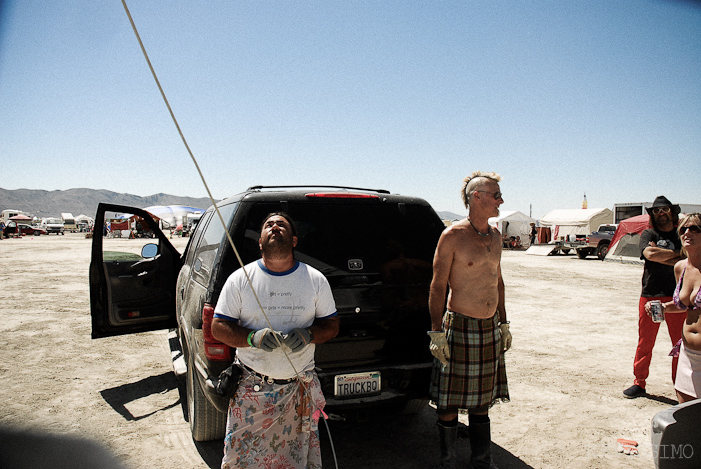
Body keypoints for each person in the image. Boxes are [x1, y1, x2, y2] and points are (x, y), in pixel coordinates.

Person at [211, 213, 340, 469]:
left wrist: (309, 334)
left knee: (293, 462)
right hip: (251, 390)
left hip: (298, 391)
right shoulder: (239, 280)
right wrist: (251, 337)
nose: (275, 227)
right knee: (240, 462)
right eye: (269, 225)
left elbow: (332, 326)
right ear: (259, 242)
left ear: (293, 240)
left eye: (281, 224)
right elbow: (218, 327)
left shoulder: (315, 280)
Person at [428, 171, 511, 469]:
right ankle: (447, 462)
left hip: (488, 327)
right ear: (478, 197)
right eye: (496, 194)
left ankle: (481, 461)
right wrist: (436, 333)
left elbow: (498, 281)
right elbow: (438, 286)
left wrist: (504, 323)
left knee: (482, 402)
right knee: (448, 403)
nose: (501, 200)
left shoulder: (497, 235)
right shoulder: (452, 236)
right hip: (459, 327)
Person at [623, 196, 685, 398]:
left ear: (672, 212)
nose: (661, 213)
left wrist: (661, 253)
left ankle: (681, 388)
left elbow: (689, 256)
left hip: (677, 298)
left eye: (665, 209)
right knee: (645, 342)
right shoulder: (648, 233)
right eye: (657, 211)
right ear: (652, 215)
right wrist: (677, 256)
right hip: (651, 296)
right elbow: (649, 254)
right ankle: (639, 383)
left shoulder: (681, 233)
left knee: (679, 345)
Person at [646, 213, 701, 403]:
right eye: (683, 229)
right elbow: (683, 305)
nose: (687, 233)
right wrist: (664, 307)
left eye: (694, 228)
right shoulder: (680, 268)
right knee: (685, 416)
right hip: (687, 354)